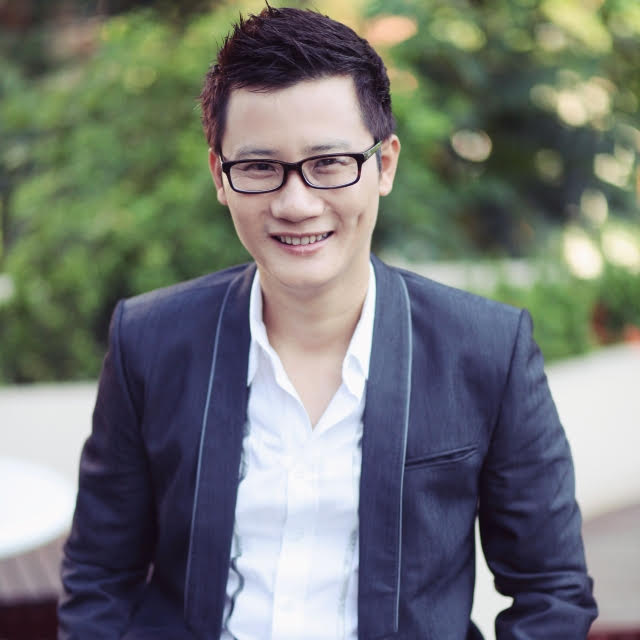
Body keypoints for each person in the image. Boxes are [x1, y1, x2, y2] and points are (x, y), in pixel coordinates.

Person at [58, 5, 597, 639]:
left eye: (330, 162)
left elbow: (552, 592)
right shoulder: (149, 341)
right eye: (259, 167)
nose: (296, 203)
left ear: (384, 165)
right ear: (219, 177)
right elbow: (100, 576)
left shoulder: (485, 350)